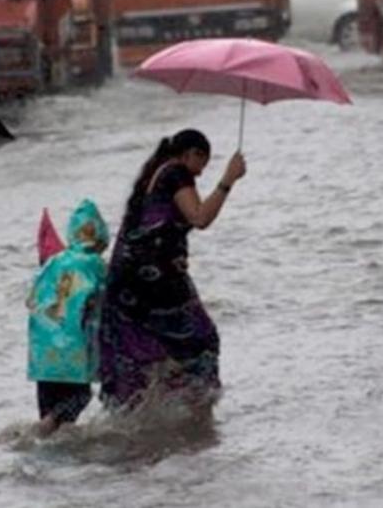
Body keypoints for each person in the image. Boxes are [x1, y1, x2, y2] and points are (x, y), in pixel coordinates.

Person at [98, 130, 246, 418]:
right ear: (190, 154)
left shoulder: (154, 174)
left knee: (152, 347)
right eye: (202, 162)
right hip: (154, 279)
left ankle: (149, 416)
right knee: (202, 339)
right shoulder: (176, 173)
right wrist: (228, 180)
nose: (202, 172)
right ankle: (197, 414)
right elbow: (200, 217)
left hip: (129, 280)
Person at [27, 199, 110, 436]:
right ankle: (47, 427)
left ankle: (49, 450)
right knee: (79, 396)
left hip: (42, 353)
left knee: (51, 412)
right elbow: (109, 300)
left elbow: (32, 299)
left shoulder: (54, 261)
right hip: (73, 350)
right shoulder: (95, 264)